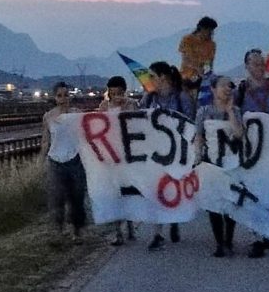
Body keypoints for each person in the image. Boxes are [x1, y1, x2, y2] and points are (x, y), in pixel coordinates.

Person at [235, 48, 269, 258]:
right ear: (247, 66)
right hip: (251, 153)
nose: (259, 67)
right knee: (254, 193)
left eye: (261, 63)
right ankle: (257, 236)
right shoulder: (240, 92)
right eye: (255, 63)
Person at [139, 62, 192, 250]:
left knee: (173, 189)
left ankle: (174, 219)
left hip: (176, 153)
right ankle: (157, 233)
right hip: (155, 153)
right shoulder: (148, 99)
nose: (150, 80)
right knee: (156, 191)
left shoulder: (181, 98)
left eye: (152, 76)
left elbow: (189, 124)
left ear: (162, 77)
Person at [194, 75, 243, 257]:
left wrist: (230, 112)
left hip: (232, 163)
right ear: (213, 89)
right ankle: (219, 242)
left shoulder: (236, 111)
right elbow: (199, 136)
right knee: (214, 203)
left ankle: (228, 240)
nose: (227, 89)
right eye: (223, 85)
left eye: (229, 86)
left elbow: (239, 134)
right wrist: (198, 156)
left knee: (230, 202)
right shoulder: (204, 112)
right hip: (212, 162)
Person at [40, 81, 87, 245]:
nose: (63, 98)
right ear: (55, 97)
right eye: (59, 95)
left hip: (74, 160)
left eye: (66, 95)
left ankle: (77, 231)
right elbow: (46, 140)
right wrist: (41, 160)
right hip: (55, 161)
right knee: (57, 198)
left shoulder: (77, 114)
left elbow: (86, 135)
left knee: (77, 197)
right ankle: (59, 230)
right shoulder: (48, 116)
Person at [98, 76, 138, 246]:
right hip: (111, 155)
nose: (115, 96)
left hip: (128, 155)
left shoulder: (132, 104)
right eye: (112, 93)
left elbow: (138, 125)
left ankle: (130, 224)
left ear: (124, 91)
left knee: (128, 191)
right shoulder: (103, 106)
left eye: (119, 93)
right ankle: (118, 232)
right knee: (113, 192)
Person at [179, 16, 218, 108]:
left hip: (202, 78)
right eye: (209, 30)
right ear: (202, 28)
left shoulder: (211, 44)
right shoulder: (188, 40)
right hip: (187, 77)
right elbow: (186, 59)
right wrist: (197, 68)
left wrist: (206, 73)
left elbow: (210, 63)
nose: (211, 33)